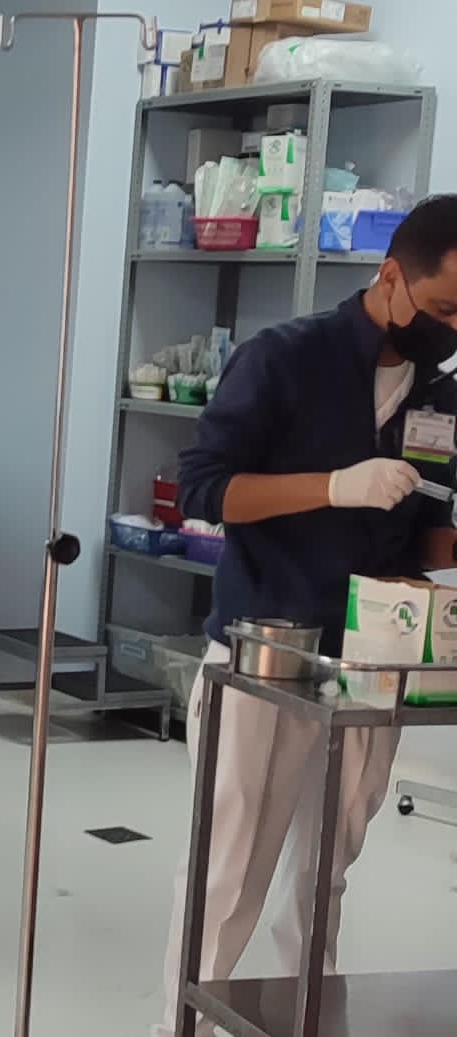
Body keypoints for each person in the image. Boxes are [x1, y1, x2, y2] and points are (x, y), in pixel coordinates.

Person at [153, 194, 457, 1037]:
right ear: (390, 276)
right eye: (443, 308)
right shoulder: (285, 359)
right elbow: (204, 490)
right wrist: (332, 485)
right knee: (228, 870)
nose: (452, 329)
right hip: (267, 651)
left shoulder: (440, 396)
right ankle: (185, 1025)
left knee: (325, 874)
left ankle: (304, 1019)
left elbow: (422, 532)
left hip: (372, 660)